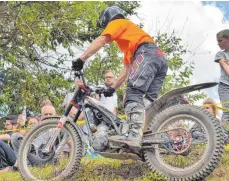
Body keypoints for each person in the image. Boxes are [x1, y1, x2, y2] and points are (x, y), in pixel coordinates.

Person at [71, 6, 168, 147]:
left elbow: (101, 40)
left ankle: (134, 135)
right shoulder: (131, 39)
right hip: (159, 58)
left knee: (133, 93)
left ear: (107, 20)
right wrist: (113, 88)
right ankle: (148, 136)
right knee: (147, 101)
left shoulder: (118, 23)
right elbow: (127, 69)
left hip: (147, 54)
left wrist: (81, 59)